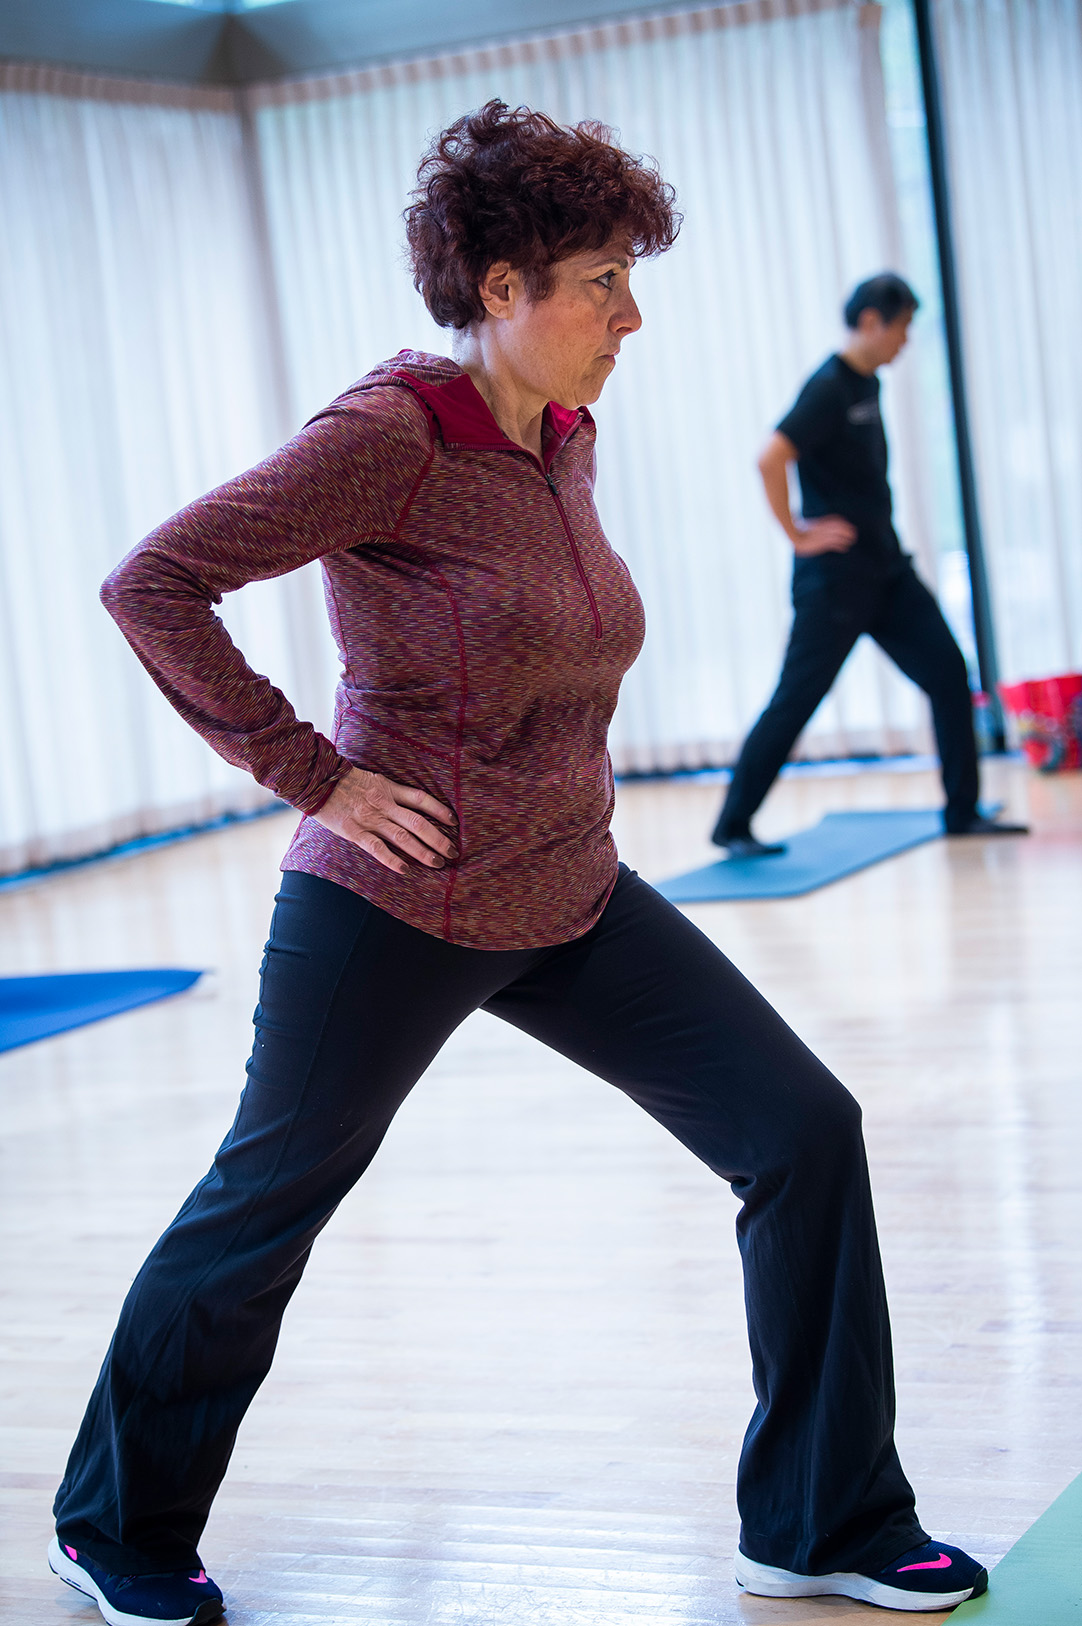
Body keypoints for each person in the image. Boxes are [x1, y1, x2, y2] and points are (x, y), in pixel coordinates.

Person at [49, 107, 987, 1626]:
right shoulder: (391, 435)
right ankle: (114, 1521)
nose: (632, 313)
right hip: (395, 898)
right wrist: (313, 774)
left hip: (569, 886)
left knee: (802, 1130)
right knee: (267, 1200)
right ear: (501, 288)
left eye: (629, 278)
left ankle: (819, 1514)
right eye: (603, 279)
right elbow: (152, 580)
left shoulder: (563, 435)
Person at [710, 272, 1027, 857]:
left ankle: (962, 812)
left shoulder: (868, 384)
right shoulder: (829, 386)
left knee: (949, 674)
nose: (906, 342)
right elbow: (770, 457)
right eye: (903, 327)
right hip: (835, 580)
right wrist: (796, 533)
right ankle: (732, 824)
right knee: (797, 697)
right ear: (872, 321)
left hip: (886, 568)